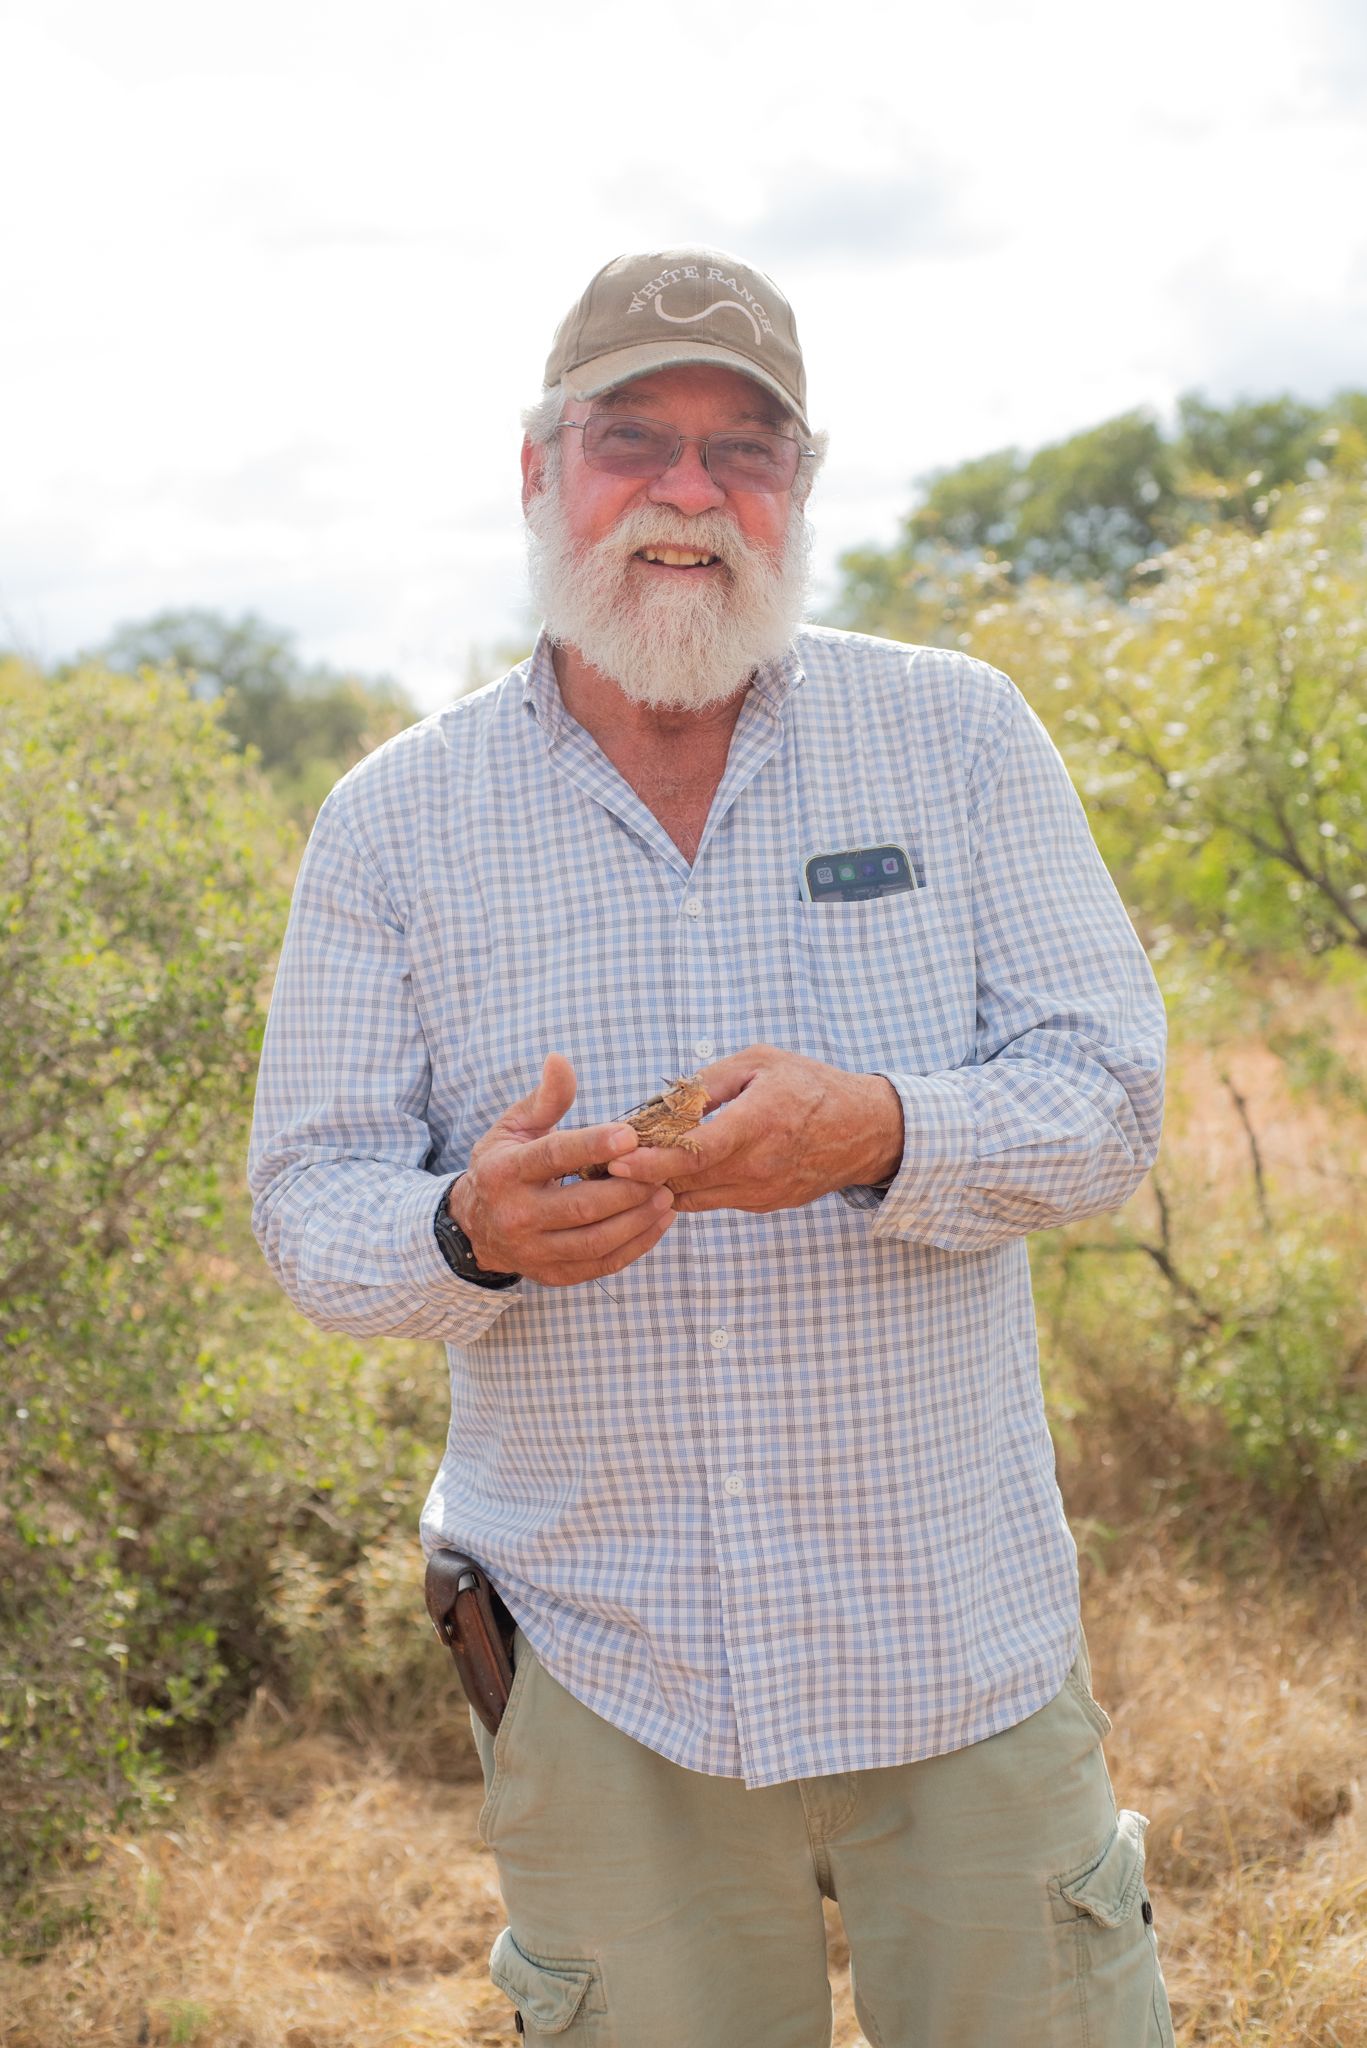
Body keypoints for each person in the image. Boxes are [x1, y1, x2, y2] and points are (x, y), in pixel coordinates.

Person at [249, 246, 1173, 2047]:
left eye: (741, 449)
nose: (687, 494)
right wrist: (465, 1234)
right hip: (607, 1675)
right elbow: (307, 1205)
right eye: (632, 440)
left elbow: (1112, 1096)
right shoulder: (394, 826)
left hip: (955, 1642)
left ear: (800, 489)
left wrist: (883, 1133)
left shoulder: (959, 739)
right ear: (539, 474)